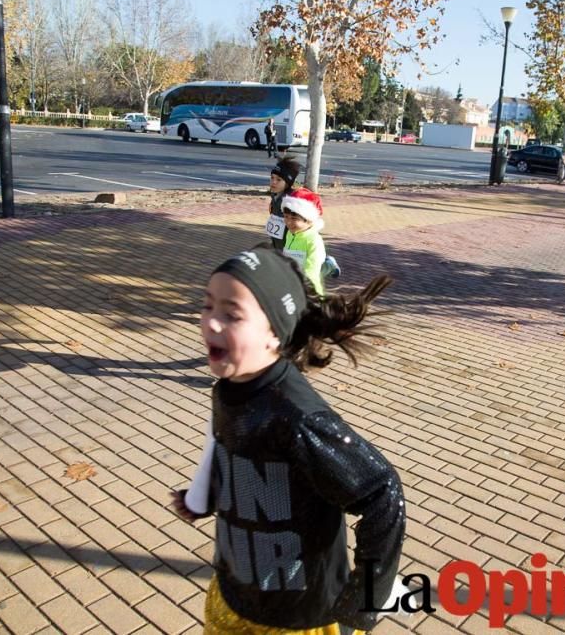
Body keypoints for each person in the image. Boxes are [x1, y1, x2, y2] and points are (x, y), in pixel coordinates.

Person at [172, 247, 405, 635]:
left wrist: (364, 600)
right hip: (235, 596)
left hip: (299, 619)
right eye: (208, 305)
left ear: (274, 334)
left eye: (231, 314)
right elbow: (228, 446)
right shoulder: (229, 388)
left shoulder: (298, 419)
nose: (211, 323)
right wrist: (207, 497)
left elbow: (383, 493)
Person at [281, 188, 329, 296]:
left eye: (294, 218)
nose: (288, 222)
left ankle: (329, 266)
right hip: (290, 287)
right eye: (286, 217)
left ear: (309, 219)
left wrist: (300, 286)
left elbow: (311, 271)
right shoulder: (291, 233)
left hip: (308, 293)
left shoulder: (314, 241)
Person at [267, 156, 302, 250]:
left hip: (289, 248)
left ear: (288, 183)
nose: (273, 182)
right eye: (272, 178)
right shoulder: (275, 196)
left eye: (279, 180)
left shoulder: (291, 201)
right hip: (277, 245)